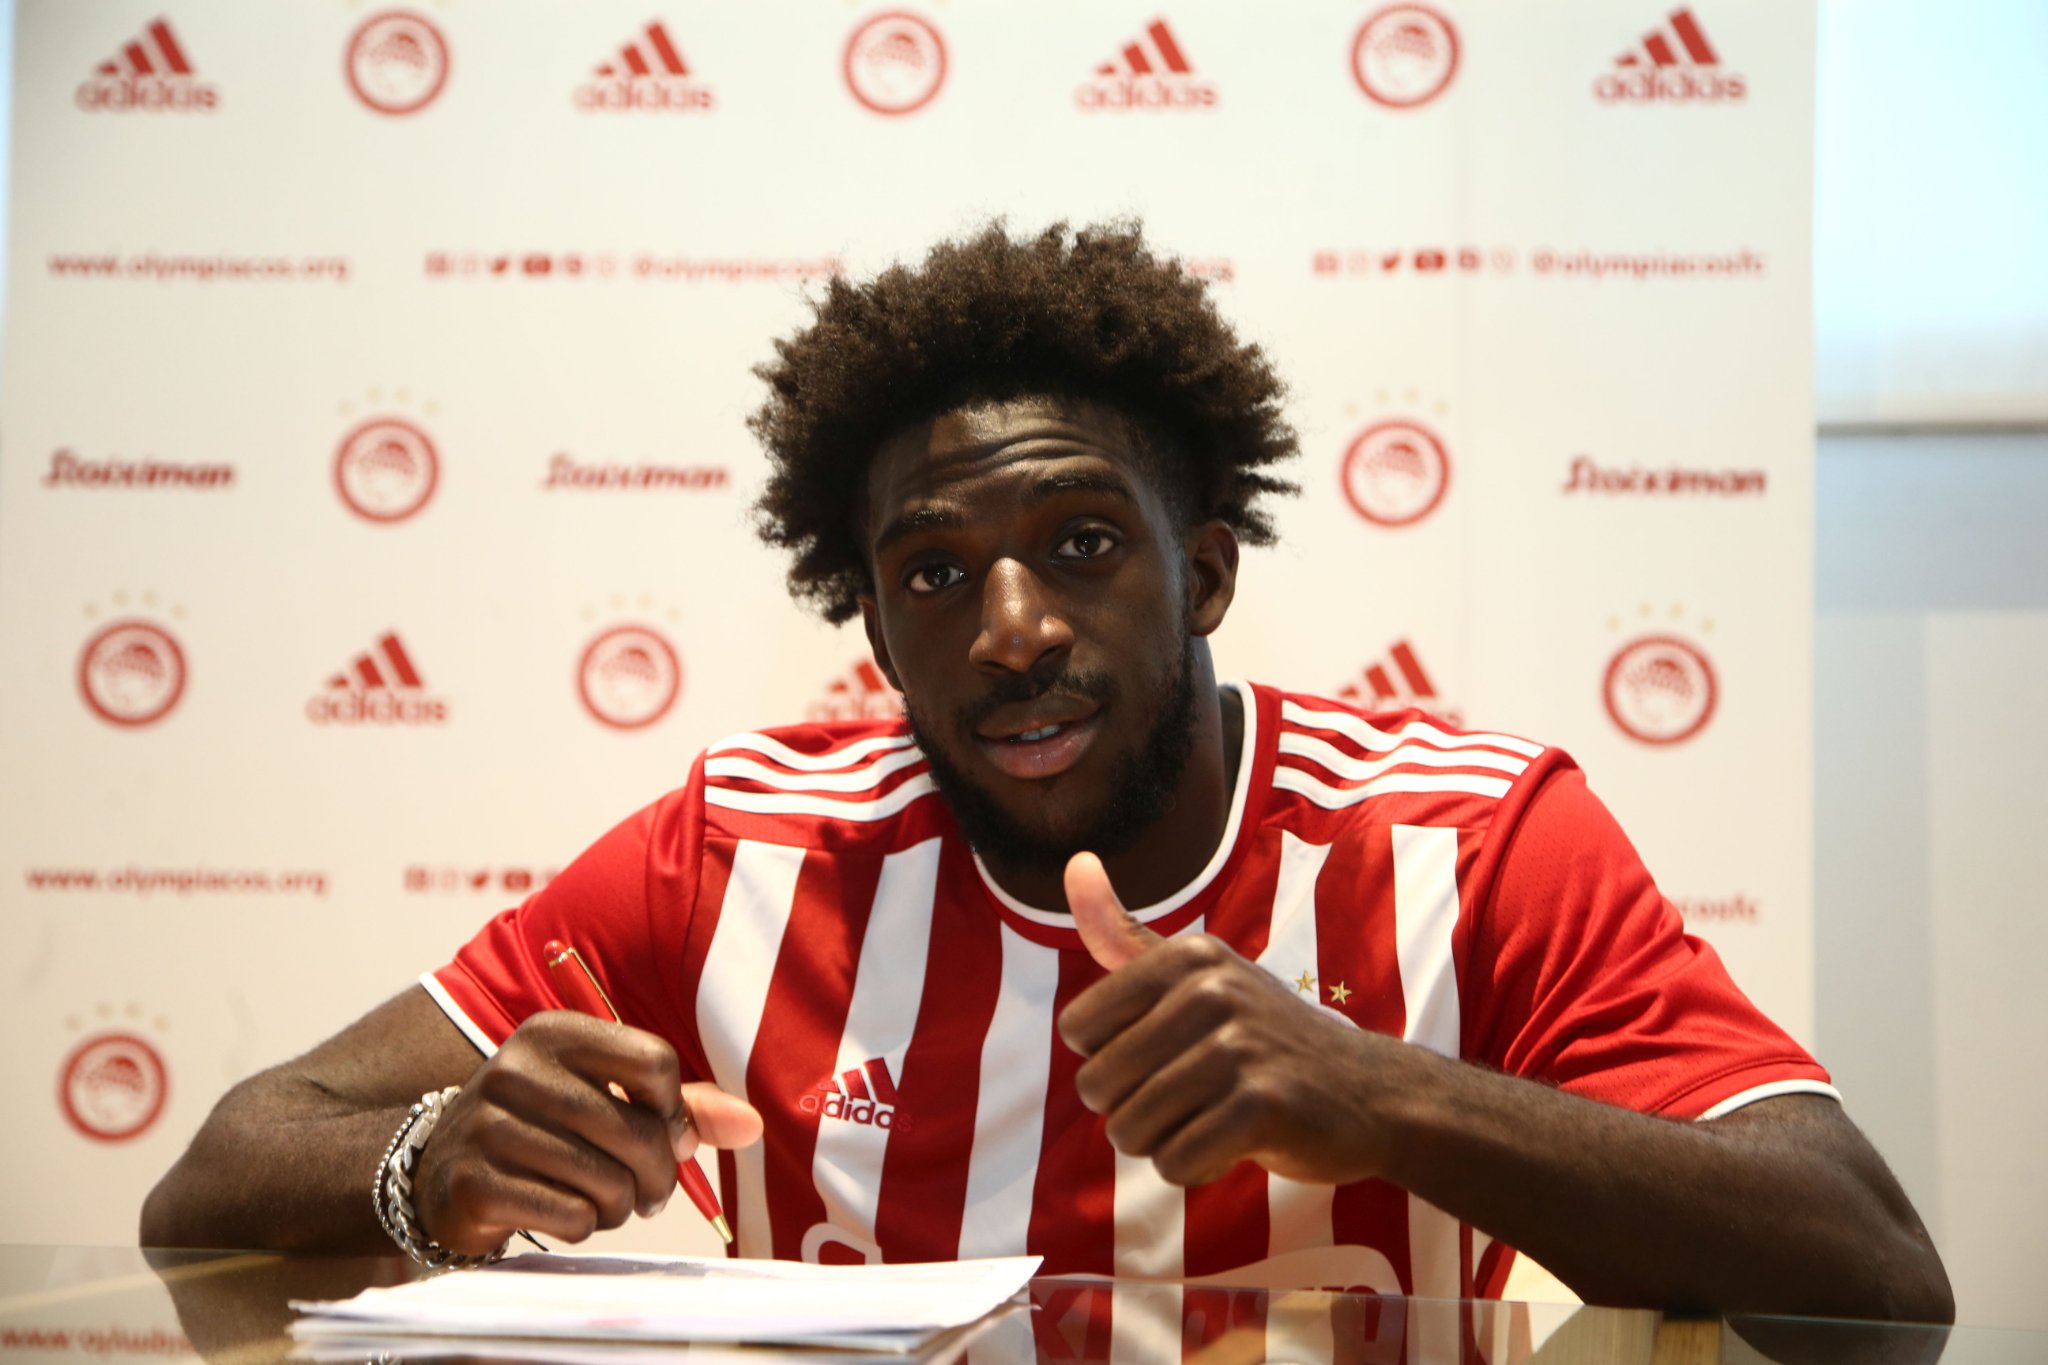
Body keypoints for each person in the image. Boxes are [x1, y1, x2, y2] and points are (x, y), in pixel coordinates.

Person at [143, 221, 1952, 1322]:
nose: (1009, 629)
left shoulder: (1467, 839)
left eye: (1082, 544)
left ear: (1207, 571)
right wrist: (432, 1161)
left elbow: (1873, 1267)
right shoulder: (739, 853)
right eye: (935, 573)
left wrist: (1388, 1096)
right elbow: (219, 1174)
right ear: (875, 623)